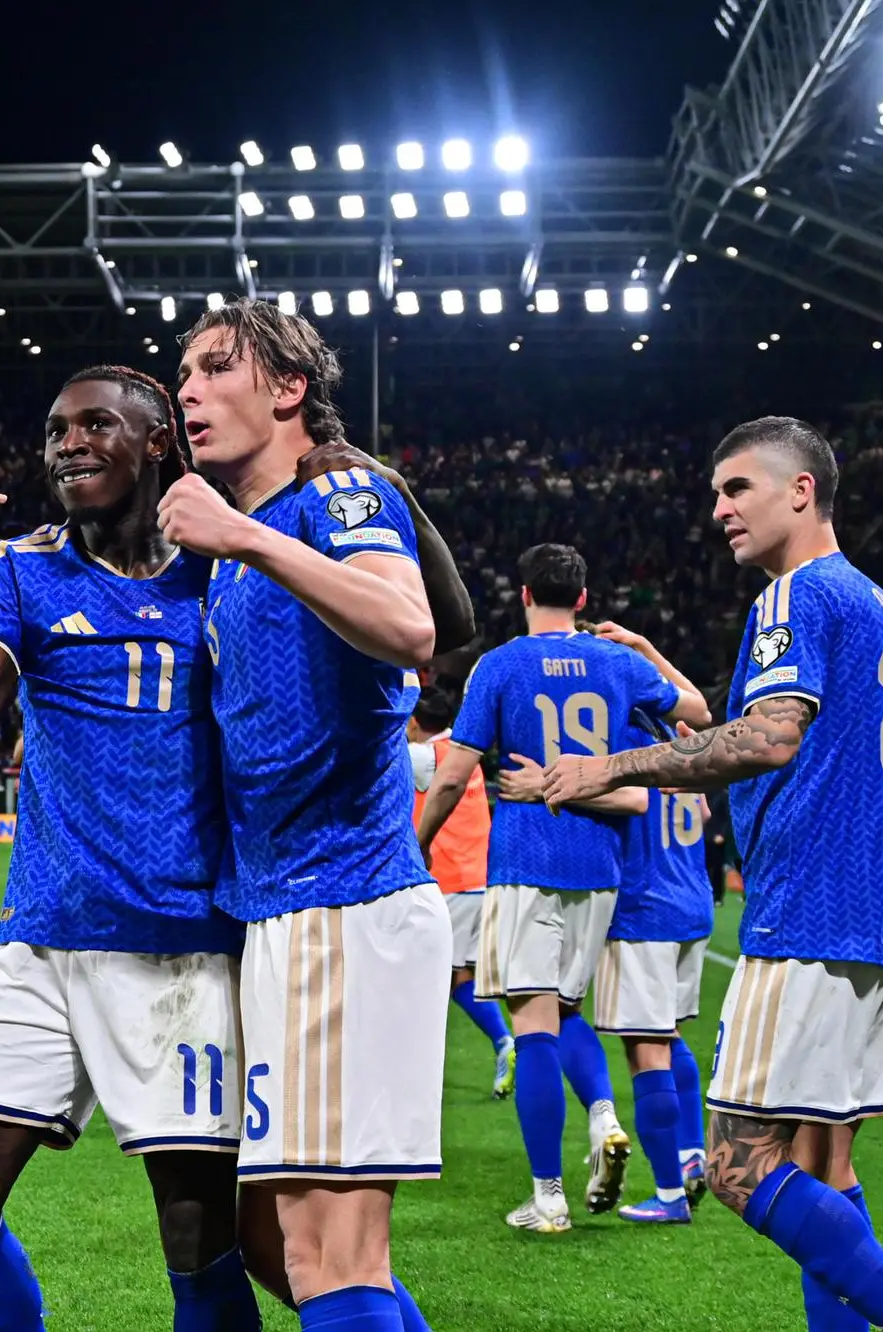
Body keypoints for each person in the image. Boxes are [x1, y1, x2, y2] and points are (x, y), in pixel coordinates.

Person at [541, 416, 883, 1332]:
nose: (718, 509)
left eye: (737, 489)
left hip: (805, 914)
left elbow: (768, 738)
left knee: (734, 1166)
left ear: (800, 491)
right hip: (879, 914)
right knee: (822, 1167)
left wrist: (611, 766)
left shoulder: (794, 595)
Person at [0, 365, 260, 1332]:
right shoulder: (19, 570)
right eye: (56, 429)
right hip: (42, 937)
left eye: (96, 424)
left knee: (198, 1234)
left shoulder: (226, 571)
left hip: (181, 945)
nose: (68, 442)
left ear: (157, 444)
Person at [161, 296, 463, 1332]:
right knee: (277, 1241)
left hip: (345, 905)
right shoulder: (234, 550)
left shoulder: (333, 498)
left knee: (330, 1256)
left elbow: (409, 625)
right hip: (286, 914)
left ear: (286, 388)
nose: (188, 390)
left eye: (213, 368)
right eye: (183, 372)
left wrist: (242, 535)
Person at [417, 545, 710, 1234]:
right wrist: (641, 647)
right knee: (570, 1012)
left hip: (526, 860)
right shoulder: (617, 665)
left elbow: (454, 773)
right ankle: (604, 1116)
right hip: (600, 871)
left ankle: (547, 1196)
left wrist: (420, 842)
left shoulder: (500, 666)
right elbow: (695, 709)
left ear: (523, 594)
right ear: (582, 600)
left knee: (533, 1023)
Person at [586, 647, 716, 1225]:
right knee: (672, 1036)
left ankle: (668, 1195)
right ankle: (690, 1157)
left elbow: (630, 798)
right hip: (693, 900)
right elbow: (706, 812)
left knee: (646, 1050)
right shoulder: (678, 731)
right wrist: (645, 647)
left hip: (645, 904)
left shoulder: (619, 736)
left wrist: (553, 784)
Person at [407, 685, 513, 1097]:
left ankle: (413, 1068)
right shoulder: (464, 751)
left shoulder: (421, 757)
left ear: (414, 721)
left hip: (447, 882)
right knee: (459, 976)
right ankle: (504, 1041)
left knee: (420, 976)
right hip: (477, 879)